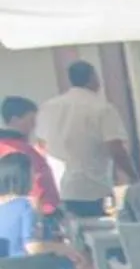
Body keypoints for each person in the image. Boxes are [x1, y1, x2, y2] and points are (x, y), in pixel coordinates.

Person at [35, 61, 134, 220]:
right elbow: (115, 147)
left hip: (61, 186)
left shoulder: (48, 107)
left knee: (74, 237)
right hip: (95, 187)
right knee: (99, 233)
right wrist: (133, 175)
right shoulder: (102, 108)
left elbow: (41, 145)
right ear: (92, 78)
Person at [0, 97, 64, 223]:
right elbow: (33, 184)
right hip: (37, 214)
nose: (34, 125)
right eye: (31, 120)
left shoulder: (22, 147)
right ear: (14, 120)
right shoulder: (14, 149)